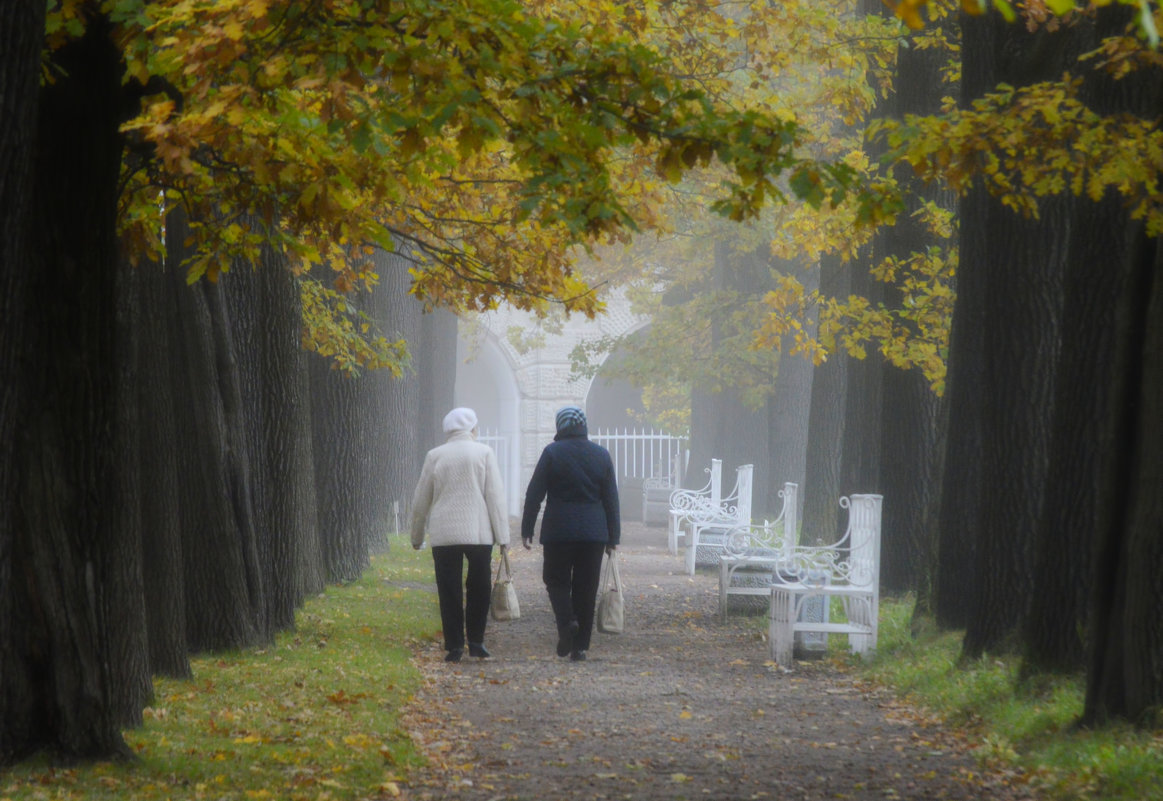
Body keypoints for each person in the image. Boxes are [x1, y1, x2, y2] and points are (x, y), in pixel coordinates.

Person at [521, 406, 620, 662]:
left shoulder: (552, 453)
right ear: (584, 427)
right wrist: (613, 537)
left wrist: (527, 528)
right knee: (587, 588)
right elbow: (611, 499)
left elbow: (535, 493)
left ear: (560, 427)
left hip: (559, 531)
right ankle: (580, 647)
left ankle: (566, 622)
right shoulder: (601, 455)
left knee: (556, 581)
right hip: (594, 533)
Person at [411, 407, 510, 663]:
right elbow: (495, 498)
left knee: (449, 589)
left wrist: (417, 536)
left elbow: (421, 500)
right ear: (473, 428)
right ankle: (476, 641)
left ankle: (454, 645)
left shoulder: (435, 456)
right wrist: (503, 537)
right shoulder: (484, 453)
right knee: (479, 587)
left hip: (445, 533)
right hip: (478, 533)